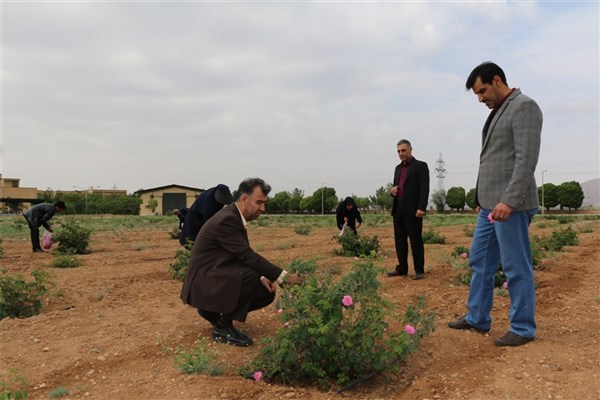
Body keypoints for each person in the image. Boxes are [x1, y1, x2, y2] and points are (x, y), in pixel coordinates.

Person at [448, 62, 542, 347]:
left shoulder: (524, 106)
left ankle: (523, 328)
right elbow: (491, 159)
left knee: (515, 266)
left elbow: (525, 160)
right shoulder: (499, 111)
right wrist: (480, 198)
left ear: (497, 80)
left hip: (509, 206)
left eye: (482, 91)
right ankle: (477, 317)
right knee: (480, 261)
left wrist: (509, 201)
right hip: (490, 205)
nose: (480, 99)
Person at [180, 178, 303, 346]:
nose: (263, 208)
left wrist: (262, 277)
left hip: (211, 276)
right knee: (249, 275)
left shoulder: (234, 216)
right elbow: (246, 256)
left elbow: (239, 254)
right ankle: (222, 327)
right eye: (259, 202)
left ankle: (212, 312)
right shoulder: (227, 219)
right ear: (244, 199)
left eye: (264, 203)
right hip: (202, 283)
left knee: (264, 292)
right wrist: (284, 277)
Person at [387, 139, 430, 280]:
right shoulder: (397, 168)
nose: (401, 153)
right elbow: (396, 187)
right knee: (399, 240)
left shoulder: (420, 166)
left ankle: (419, 270)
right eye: (398, 151)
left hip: (413, 210)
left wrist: (421, 207)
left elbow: (424, 189)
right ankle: (402, 268)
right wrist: (392, 191)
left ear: (410, 150)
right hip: (398, 208)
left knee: (415, 239)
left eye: (403, 150)